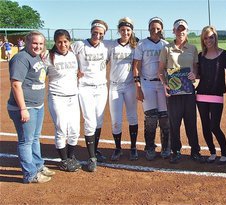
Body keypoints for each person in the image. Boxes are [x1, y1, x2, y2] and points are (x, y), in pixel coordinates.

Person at [7, 31, 56, 183]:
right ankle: (30, 174)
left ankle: (38, 166)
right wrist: (23, 108)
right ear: (27, 42)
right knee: (26, 141)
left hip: (37, 105)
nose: (38, 46)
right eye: (35, 43)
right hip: (25, 107)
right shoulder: (21, 58)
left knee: (35, 138)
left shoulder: (37, 57)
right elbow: (15, 84)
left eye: (41, 44)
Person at [158, 19, 205, 164]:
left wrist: (194, 74)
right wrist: (165, 84)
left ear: (187, 31)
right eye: (178, 29)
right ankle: (176, 151)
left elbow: (196, 68)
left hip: (189, 91)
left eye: (183, 29)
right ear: (174, 31)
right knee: (174, 123)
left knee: (191, 122)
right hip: (174, 92)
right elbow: (160, 70)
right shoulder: (167, 48)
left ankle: (195, 151)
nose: (181, 32)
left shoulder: (192, 48)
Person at [71, 19, 109, 172]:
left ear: (104, 34)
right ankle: (92, 157)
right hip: (85, 87)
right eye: (95, 32)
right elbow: (64, 53)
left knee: (99, 121)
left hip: (101, 88)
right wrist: (75, 71)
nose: (97, 35)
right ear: (91, 31)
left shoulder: (106, 47)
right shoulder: (80, 45)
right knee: (90, 121)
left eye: (100, 33)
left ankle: (95, 150)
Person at [133, 17, 170, 161]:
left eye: (158, 28)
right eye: (153, 28)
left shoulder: (165, 45)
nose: (155, 31)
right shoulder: (142, 44)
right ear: (149, 28)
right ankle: (150, 146)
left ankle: (166, 146)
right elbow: (136, 66)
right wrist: (138, 86)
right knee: (151, 118)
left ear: (162, 29)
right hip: (147, 83)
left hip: (162, 84)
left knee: (165, 118)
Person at [197, 25, 226, 164]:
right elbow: (197, 74)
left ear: (215, 37)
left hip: (216, 95)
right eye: (205, 38)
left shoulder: (224, 55)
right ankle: (212, 152)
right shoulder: (201, 56)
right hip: (201, 95)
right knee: (205, 126)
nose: (208, 40)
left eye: (211, 37)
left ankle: (224, 152)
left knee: (214, 126)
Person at [46, 29, 82, 172]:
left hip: (73, 96)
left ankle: (70, 156)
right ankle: (63, 160)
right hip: (57, 97)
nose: (62, 44)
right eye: (59, 42)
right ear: (55, 42)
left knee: (75, 130)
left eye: (65, 41)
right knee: (61, 128)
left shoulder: (74, 55)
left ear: (69, 42)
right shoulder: (49, 57)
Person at [105, 17, 139, 161]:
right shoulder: (111, 45)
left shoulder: (136, 45)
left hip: (130, 85)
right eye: (123, 30)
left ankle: (133, 147)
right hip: (115, 86)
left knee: (132, 117)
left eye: (128, 30)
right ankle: (118, 148)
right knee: (116, 120)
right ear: (119, 30)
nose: (125, 32)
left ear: (131, 31)